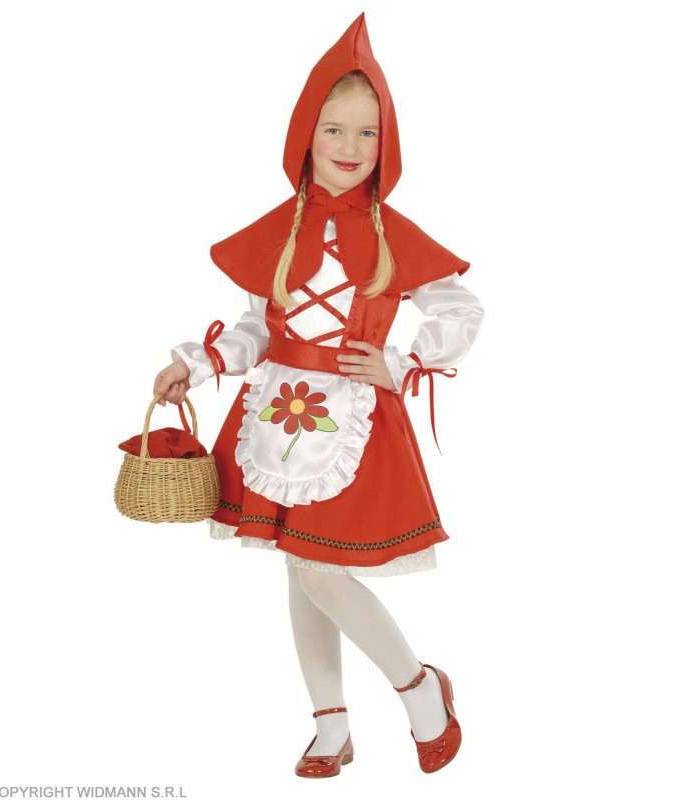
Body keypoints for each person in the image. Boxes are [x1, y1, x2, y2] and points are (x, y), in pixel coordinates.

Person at [153, 14, 484, 778]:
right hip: (277, 415)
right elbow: (256, 327)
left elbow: (461, 308)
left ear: (387, 144)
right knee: (299, 567)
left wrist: (403, 361)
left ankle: (420, 688)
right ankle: (330, 723)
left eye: (368, 133)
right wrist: (200, 363)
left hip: (355, 423)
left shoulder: (393, 233)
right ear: (305, 135)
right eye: (334, 128)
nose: (349, 145)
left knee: (319, 570)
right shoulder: (281, 230)